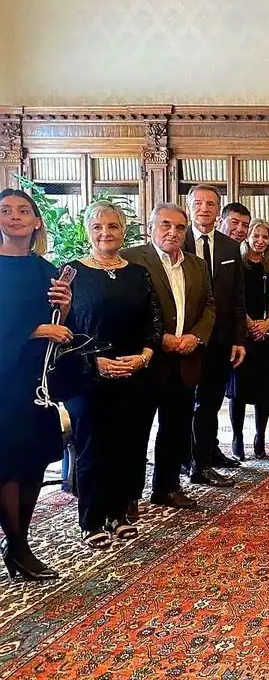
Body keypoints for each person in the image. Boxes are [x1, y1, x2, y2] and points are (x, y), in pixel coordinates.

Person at [65, 201, 162, 548]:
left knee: (129, 445)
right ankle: (92, 520)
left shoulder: (138, 272)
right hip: (88, 375)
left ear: (124, 231)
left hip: (134, 373)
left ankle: (120, 513)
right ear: (88, 231)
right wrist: (95, 362)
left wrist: (145, 356)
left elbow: (154, 319)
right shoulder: (72, 272)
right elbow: (66, 328)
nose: (106, 233)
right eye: (98, 227)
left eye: (113, 227)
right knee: (93, 446)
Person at [0, 189, 72, 581]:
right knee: (7, 464)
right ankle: (18, 547)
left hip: (37, 382)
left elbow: (60, 324)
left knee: (33, 460)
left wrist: (65, 303)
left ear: (36, 221)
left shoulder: (45, 269)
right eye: (6, 211)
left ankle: (18, 541)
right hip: (2, 381)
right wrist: (35, 329)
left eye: (23, 211)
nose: (15, 217)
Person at [123, 203, 214, 510]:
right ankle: (130, 494)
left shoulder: (197, 265)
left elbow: (209, 308)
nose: (172, 232)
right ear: (151, 228)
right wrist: (158, 338)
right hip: (147, 361)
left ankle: (167, 486)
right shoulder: (133, 259)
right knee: (136, 431)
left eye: (179, 227)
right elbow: (127, 311)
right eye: (165, 225)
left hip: (185, 361)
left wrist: (196, 337)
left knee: (175, 428)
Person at [183, 185, 246, 485]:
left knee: (209, 403)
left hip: (220, 340)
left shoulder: (230, 247)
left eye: (210, 204)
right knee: (181, 404)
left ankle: (203, 461)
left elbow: (237, 298)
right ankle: (184, 459)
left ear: (218, 210)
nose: (204, 208)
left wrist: (238, 339)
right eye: (198, 203)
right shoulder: (175, 240)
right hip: (183, 339)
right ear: (189, 205)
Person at [226, 219, 269, 461]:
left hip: (267, 336)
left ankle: (260, 436)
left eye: (265, 237)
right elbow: (234, 299)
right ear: (247, 237)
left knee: (264, 391)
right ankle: (237, 436)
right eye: (256, 236)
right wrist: (250, 324)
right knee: (239, 390)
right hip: (242, 336)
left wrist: (268, 322)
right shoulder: (238, 266)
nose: (260, 241)